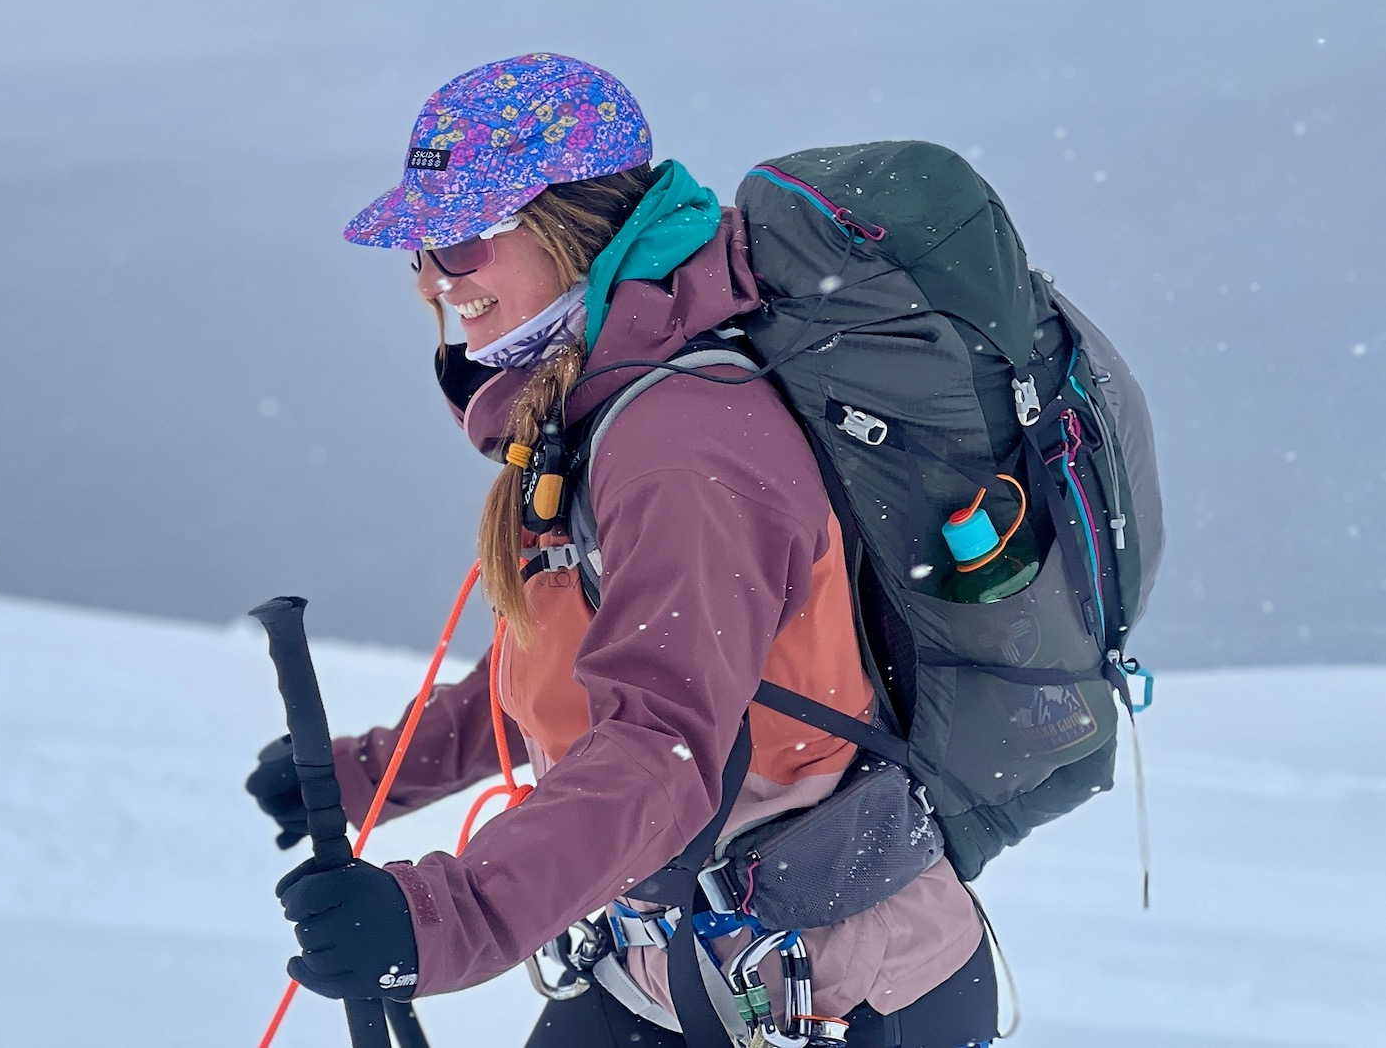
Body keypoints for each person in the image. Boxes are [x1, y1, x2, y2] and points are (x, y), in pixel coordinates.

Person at [247, 53, 997, 1048]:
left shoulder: (681, 439)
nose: (432, 280)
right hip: (659, 967)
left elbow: (664, 741)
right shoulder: (591, 402)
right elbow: (589, 669)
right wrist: (381, 772)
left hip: (831, 997)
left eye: (463, 240)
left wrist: (446, 921)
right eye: (420, 246)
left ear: (572, 226)